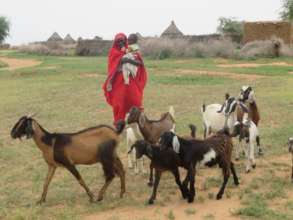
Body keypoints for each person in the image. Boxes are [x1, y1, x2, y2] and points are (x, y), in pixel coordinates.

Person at [103, 33, 147, 126]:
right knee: (119, 103)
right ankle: (119, 123)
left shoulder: (130, 49)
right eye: (118, 41)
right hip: (117, 82)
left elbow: (139, 62)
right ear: (115, 42)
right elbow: (114, 66)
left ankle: (137, 120)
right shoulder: (113, 52)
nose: (121, 43)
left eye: (123, 41)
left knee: (136, 100)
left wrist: (130, 61)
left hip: (131, 80)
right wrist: (129, 60)